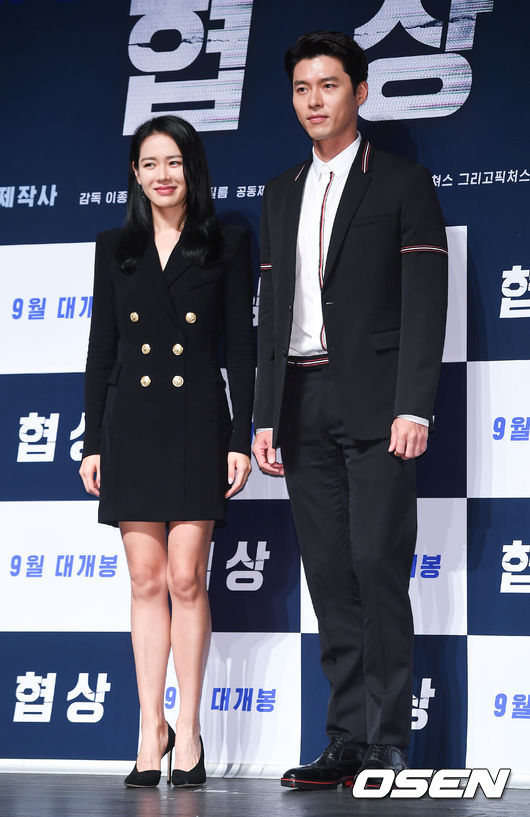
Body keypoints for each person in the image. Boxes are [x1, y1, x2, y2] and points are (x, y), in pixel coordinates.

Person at [253, 31, 447, 790]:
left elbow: (426, 302)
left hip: (378, 402)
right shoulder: (279, 192)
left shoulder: (401, 181)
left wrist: (415, 406)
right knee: (330, 574)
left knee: (376, 564)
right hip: (301, 399)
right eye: (302, 88)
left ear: (359, 93)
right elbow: (273, 312)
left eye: (328, 85)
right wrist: (265, 414)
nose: (314, 100)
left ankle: (388, 740)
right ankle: (345, 738)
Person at [79, 115, 255, 788]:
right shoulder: (115, 248)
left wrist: (240, 437)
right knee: (146, 581)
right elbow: (101, 350)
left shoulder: (226, 243)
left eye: (174, 162)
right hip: (132, 423)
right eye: (150, 163)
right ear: (135, 173)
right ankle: (150, 728)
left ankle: (190, 726)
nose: (162, 174)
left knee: (186, 579)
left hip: (196, 420)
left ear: (193, 168)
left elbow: (241, 347)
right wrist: (92, 440)